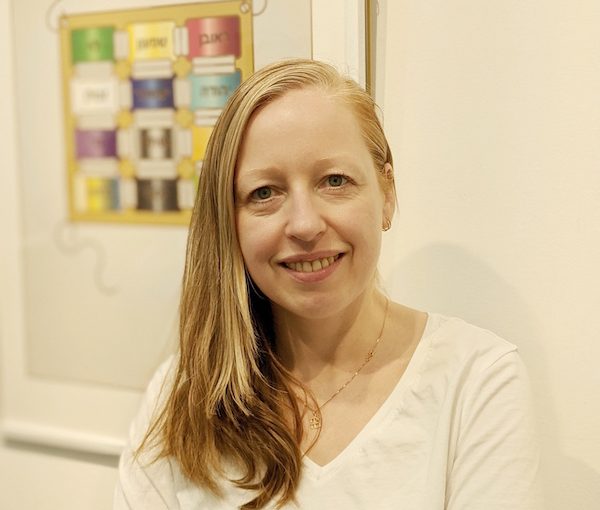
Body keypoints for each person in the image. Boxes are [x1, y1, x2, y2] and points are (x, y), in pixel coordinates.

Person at [114, 59, 540, 509]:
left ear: (386, 194)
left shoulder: (477, 381)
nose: (303, 224)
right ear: (228, 220)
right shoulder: (183, 391)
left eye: (334, 181)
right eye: (265, 193)